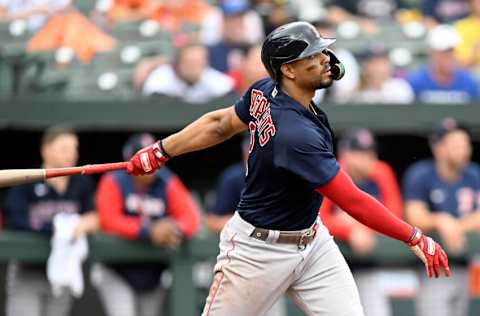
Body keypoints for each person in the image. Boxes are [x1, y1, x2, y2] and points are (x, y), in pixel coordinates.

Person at [126, 21, 450, 316]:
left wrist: (161, 150)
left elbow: (219, 124)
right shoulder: (294, 135)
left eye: (322, 50)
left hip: (312, 243)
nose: (325, 58)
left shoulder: (266, 91)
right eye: (314, 54)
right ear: (290, 70)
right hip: (257, 251)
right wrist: (414, 236)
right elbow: (352, 200)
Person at [93, 133, 200, 316]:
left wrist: (174, 229)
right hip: (116, 270)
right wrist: (148, 230)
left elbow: (191, 218)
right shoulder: (114, 180)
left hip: (152, 273)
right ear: (131, 159)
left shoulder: (167, 181)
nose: (152, 165)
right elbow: (108, 220)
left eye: (155, 159)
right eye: (145, 159)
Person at [3, 126, 98, 316]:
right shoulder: (27, 179)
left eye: (74, 149)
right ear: (46, 150)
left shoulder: (82, 183)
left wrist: (84, 224)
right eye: (64, 148)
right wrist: (54, 227)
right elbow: (14, 219)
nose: (71, 154)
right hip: (28, 271)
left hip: (64, 271)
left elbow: (95, 216)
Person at [320, 128, 403, 316]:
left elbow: (394, 216)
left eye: (370, 152)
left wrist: (356, 224)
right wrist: (349, 231)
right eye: (359, 153)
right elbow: (318, 218)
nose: (367, 158)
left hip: (367, 263)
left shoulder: (381, 172)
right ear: (345, 154)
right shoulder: (330, 171)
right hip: (329, 264)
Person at [403, 117, 480, 316]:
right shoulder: (421, 174)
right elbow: (414, 215)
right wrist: (440, 220)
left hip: (464, 262)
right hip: (431, 266)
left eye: (465, 144)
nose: (463, 150)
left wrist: (456, 225)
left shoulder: (474, 173)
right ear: (438, 148)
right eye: (455, 144)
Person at [206, 137, 288, 316]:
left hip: (272, 262)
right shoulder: (233, 178)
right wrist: (247, 224)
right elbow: (212, 221)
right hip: (238, 261)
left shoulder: (280, 177)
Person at [407, 24, 479, 104]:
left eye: (451, 51)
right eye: (443, 52)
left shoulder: (468, 82)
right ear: (431, 52)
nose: (449, 57)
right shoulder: (416, 82)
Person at [142, 43, 234, 103]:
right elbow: (153, 101)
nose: (194, 67)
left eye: (199, 62)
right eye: (190, 62)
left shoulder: (212, 78)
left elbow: (230, 98)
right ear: (178, 64)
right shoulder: (162, 76)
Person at [454, 0, 480, 76]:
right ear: (472, 4)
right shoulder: (461, 26)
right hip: (472, 73)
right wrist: (474, 53)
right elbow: (461, 64)